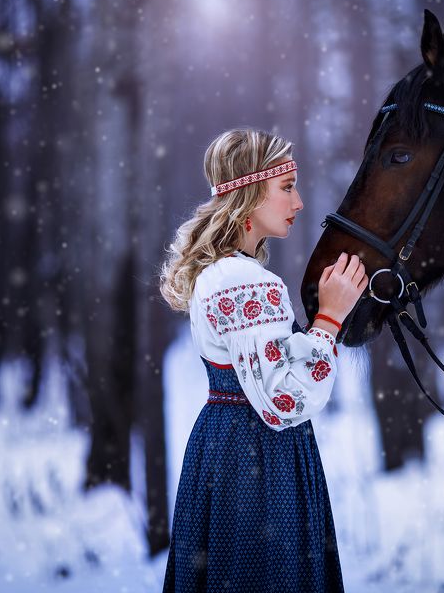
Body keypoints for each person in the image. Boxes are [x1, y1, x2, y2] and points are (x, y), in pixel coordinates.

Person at [158, 128, 366, 592]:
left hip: (227, 448)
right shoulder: (245, 283)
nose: (299, 203)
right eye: (287, 187)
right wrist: (330, 318)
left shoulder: (225, 273)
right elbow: (282, 399)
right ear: (249, 195)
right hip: (256, 463)